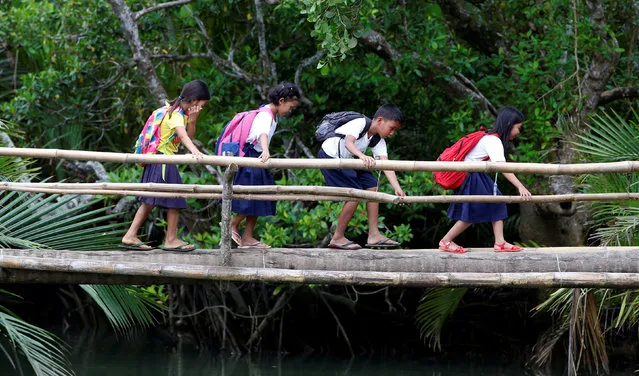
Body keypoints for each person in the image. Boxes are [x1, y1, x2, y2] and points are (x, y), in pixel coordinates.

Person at [121, 79, 210, 252]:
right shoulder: (175, 114)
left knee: (154, 200)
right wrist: (195, 152)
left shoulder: (180, 114)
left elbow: (188, 137)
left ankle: (136, 235)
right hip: (163, 160)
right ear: (193, 101)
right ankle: (168, 239)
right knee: (172, 198)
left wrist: (193, 121)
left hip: (162, 160)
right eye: (202, 104)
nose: (201, 108)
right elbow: (184, 138)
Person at [438, 106, 532, 254]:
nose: (519, 132)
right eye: (518, 127)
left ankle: (500, 242)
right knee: (473, 210)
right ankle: (446, 241)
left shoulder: (490, 138)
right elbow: (503, 168)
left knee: (497, 201)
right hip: (470, 175)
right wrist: (520, 186)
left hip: (475, 174)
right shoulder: (493, 141)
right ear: (509, 125)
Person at [318, 104, 405, 250]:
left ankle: (374, 235)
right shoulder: (360, 122)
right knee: (354, 194)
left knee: (372, 186)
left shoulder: (377, 140)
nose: (392, 133)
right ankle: (337, 237)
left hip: (349, 160)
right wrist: (362, 156)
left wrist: (397, 188)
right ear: (379, 120)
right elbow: (348, 142)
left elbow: (386, 164)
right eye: (391, 128)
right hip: (330, 155)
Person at [231, 82, 301, 249]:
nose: (290, 111)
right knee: (252, 196)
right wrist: (265, 150)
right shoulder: (266, 114)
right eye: (290, 107)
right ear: (282, 100)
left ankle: (247, 236)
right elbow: (262, 133)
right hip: (253, 157)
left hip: (258, 157)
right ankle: (231, 224)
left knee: (260, 197)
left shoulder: (270, 114)